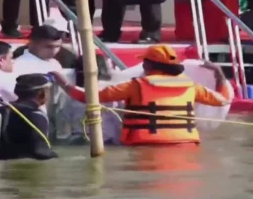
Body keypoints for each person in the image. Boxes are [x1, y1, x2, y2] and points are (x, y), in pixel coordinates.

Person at [51, 44, 232, 145]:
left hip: (145, 144)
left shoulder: (136, 85)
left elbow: (88, 98)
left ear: (147, 66)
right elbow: (223, 101)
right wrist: (219, 73)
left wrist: (64, 83)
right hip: (186, 144)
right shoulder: (191, 86)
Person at [63, 55, 123, 145]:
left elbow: (66, 119)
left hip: (80, 140)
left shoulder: (72, 95)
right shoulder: (115, 91)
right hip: (107, 140)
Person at [0, 73, 58, 160]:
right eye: (48, 91)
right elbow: (41, 152)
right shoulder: (36, 116)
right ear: (42, 93)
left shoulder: (0, 110)